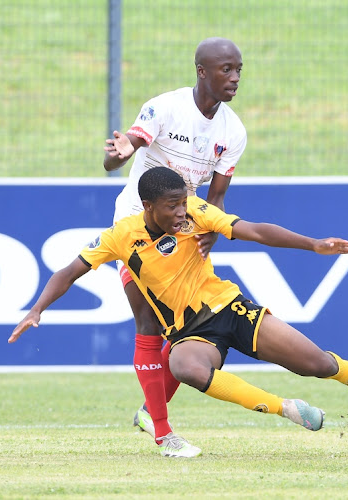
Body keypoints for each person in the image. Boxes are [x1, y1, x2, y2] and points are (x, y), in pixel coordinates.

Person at [8, 167, 348, 457]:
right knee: (185, 367)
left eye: (182, 202)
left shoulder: (196, 210)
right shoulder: (119, 237)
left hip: (233, 309)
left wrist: (314, 245)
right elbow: (69, 270)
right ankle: (286, 408)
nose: (181, 211)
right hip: (191, 332)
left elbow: (253, 230)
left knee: (316, 365)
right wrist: (37, 309)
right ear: (147, 207)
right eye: (172, 205)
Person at [102, 37, 247, 454]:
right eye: (225, 70)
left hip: (186, 229)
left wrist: (213, 233)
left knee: (194, 327)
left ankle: (151, 411)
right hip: (137, 227)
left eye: (238, 69)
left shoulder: (233, 130)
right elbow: (117, 156)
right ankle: (164, 433)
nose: (234, 78)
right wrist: (123, 151)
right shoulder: (165, 107)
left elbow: (216, 198)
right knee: (148, 321)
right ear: (202, 71)